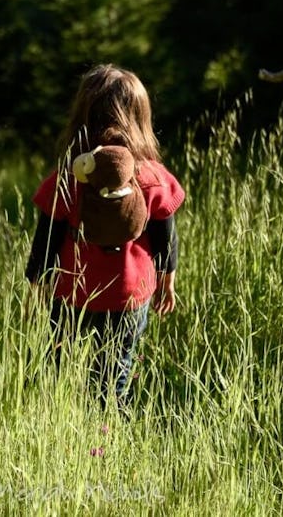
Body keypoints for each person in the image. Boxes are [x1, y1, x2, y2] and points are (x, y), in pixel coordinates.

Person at [24, 64, 185, 411]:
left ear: (82, 118)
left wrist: (35, 286)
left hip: (72, 291)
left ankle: (63, 430)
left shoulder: (69, 179)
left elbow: (47, 236)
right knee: (116, 373)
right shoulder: (152, 177)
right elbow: (164, 233)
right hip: (130, 293)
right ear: (140, 119)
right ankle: (109, 431)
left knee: (60, 368)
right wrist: (167, 279)